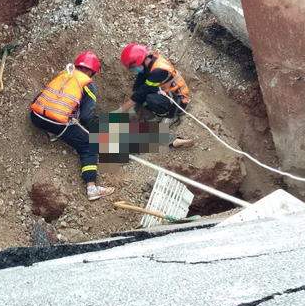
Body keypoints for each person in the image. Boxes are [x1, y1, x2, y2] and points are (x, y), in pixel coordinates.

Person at [30, 51, 115, 201]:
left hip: (36, 116)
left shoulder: (64, 73)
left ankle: (51, 131)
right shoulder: (87, 84)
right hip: (56, 122)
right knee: (89, 145)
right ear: (91, 71)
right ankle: (92, 188)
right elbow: (87, 116)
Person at [115, 43, 193, 148]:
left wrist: (121, 110)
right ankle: (160, 124)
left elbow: (141, 93)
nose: (134, 70)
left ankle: (170, 117)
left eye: (133, 67)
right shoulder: (148, 64)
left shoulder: (158, 71)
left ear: (139, 63)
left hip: (179, 102)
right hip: (167, 95)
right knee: (142, 98)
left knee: (150, 99)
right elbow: (137, 89)